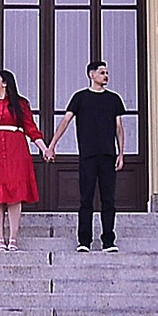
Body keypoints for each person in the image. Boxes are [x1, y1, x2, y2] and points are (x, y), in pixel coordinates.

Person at [54, 58, 129, 253]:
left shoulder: (114, 99)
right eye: (102, 72)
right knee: (86, 199)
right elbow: (66, 121)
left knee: (108, 200)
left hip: (108, 155)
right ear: (92, 75)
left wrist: (121, 154)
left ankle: (108, 241)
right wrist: (52, 145)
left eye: (107, 72)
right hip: (87, 156)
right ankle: (84, 241)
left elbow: (119, 128)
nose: (106, 76)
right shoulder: (80, 97)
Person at [0, 68, 49, 252]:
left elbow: (31, 129)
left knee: (15, 196)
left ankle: (13, 238)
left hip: (16, 152)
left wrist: (44, 149)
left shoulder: (20, 104)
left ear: (5, 83)